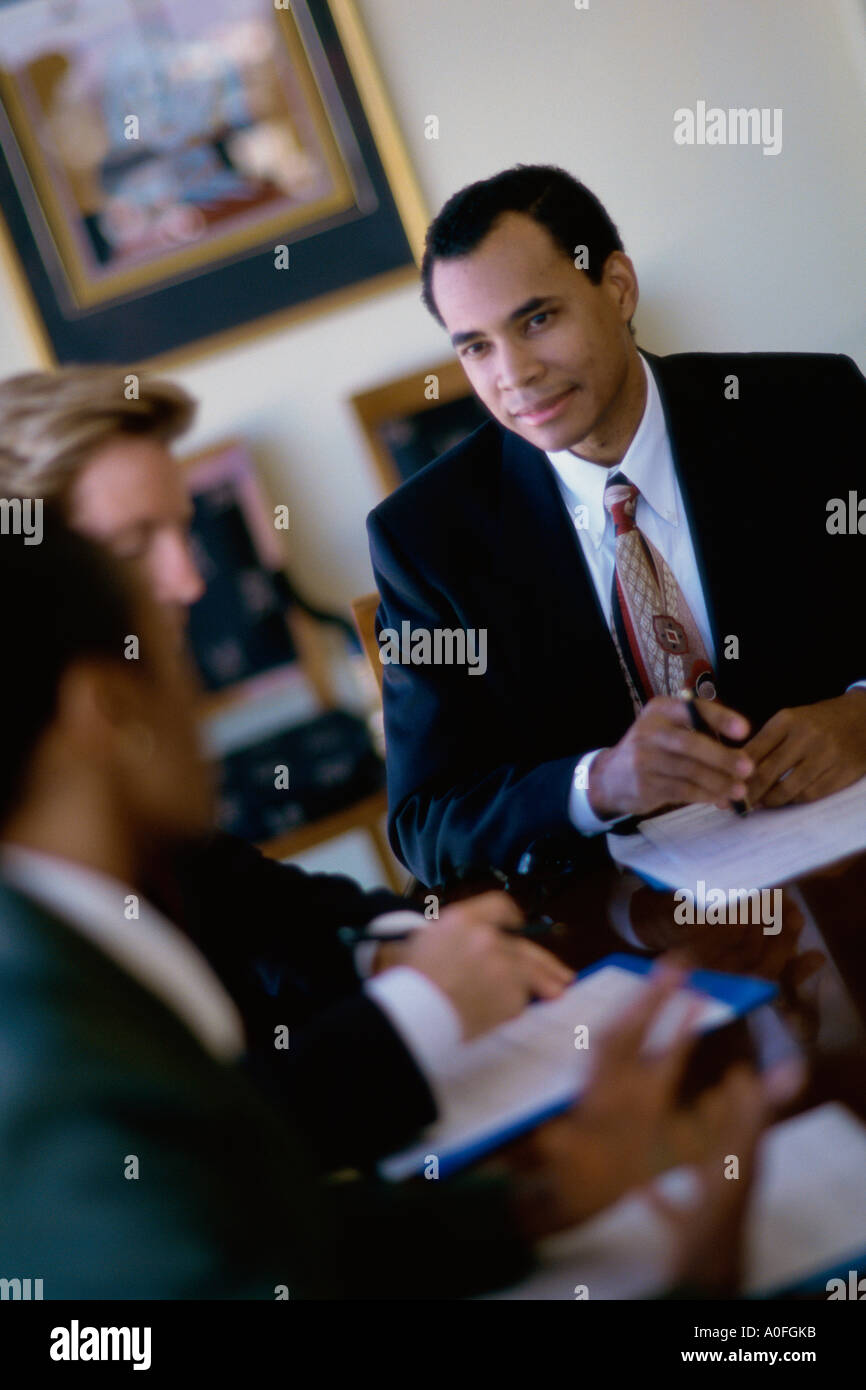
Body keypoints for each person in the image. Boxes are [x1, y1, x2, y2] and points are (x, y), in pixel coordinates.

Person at [0, 513, 765, 1298]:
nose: (199, 705)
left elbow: (253, 1219)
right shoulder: (51, 1077)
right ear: (108, 712)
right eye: (171, 664)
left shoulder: (60, 942)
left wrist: (551, 1197)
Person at [0, 367, 572, 1169]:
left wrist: (400, 950)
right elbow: (186, 1159)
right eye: (136, 547)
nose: (190, 581)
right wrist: (424, 1006)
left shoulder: (125, 770)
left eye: (182, 532)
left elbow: (269, 906)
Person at [367, 164, 866, 888]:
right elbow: (426, 822)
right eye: (476, 346)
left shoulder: (809, 410)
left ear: (619, 288)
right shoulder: (429, 540)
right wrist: (595, 785)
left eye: (538, 319)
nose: (515, 376)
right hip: (643, 931)